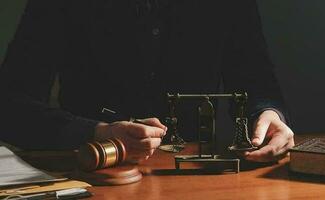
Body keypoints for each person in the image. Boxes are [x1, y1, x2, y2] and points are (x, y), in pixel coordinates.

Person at [0, 0, 294, 163]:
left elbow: (257, 82)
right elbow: (9, 106)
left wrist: (267, 115)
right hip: (93, 175)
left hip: (194, 182)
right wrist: (96, 132)